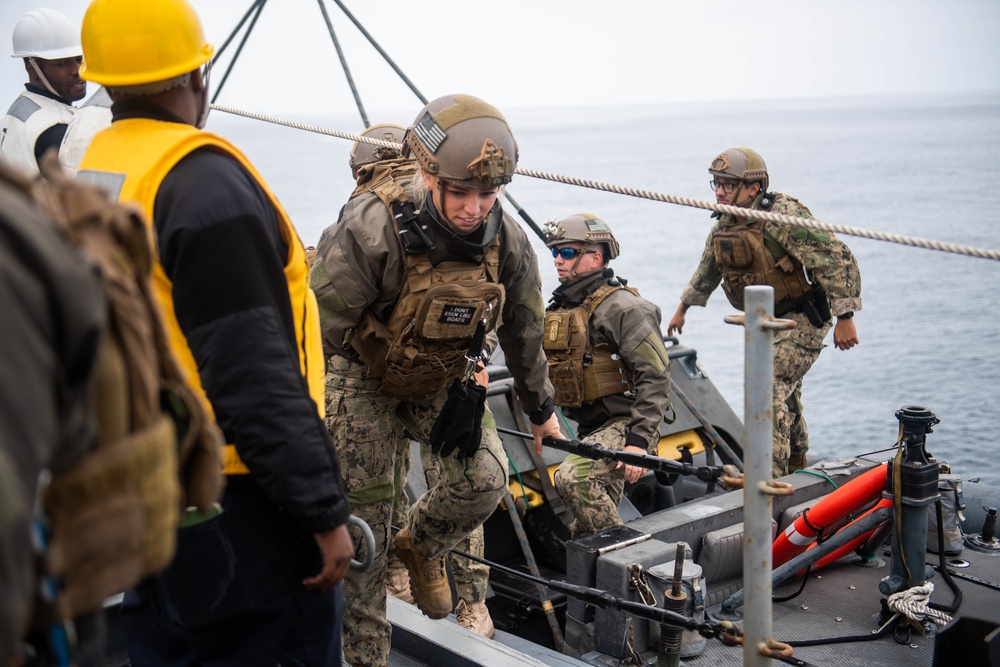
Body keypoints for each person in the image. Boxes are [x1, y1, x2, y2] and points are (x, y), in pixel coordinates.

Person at [75, 0, 353, 665]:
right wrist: (322, 512)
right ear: (198, 75)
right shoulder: (203, 185)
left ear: (103, 80)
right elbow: (252, 376)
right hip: (238, 505)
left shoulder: (101, 167)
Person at [312, 93, 562, 665]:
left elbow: (525, 325)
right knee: (364, 535)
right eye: (461, 193)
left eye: (488, 194)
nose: (475, 208)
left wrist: (542, 407)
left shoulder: (507, 239)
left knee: (485, 479)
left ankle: (420, 544)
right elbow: (319, 323)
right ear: (427, 174)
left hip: (443, 374)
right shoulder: (374, 226)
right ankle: (366, 657)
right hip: (363, 375)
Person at [344, 122, 497, 638]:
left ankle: (466, 594)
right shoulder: (364, 231)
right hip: (377, 384)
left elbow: (490, 302)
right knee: (383, 484)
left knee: (460, 480)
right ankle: (396, 572)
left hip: (445, 382)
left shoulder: (453, 230)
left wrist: (476, 357)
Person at [667, 147, 861, 477]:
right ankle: (797, 459)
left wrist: (845, 317)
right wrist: (683, 308)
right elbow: (708, 269)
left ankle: (768, 471)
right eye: (716, 184)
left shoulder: (782, 217)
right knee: (785, 394)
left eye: (728, 185)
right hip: (767, 321)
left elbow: (835, 256)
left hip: (803, 316)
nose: (719, 191)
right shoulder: (726, 224)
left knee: (768, 382)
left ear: (754, 187)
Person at [545, 214, 673, 537]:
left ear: (596, 258)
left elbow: (656, 376)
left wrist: (637, 443)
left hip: (626, 425)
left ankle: (626, 558)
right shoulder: (563, 309)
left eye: (568, 253)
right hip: (591, 428)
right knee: (586, 532)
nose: (559, 260)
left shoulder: (623, 309)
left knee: (572, 478)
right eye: (556, 253)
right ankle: (605, 572)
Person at [1, 8, 87, 176]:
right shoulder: (54, 129)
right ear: (31, 69)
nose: (77, 70)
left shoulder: (21, 109)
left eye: (78, 60)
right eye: (62, 63)